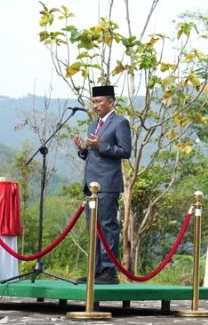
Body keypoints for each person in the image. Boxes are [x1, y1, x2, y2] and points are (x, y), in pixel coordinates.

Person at [72, 84, 132, 284]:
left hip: (107, 184)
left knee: (107, 227)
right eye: (93, 102)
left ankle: (109, 271)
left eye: (98, 102)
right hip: (91, 184)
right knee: (93, 228)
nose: (95, 105)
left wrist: (102, 145)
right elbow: (91, 155)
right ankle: (95, 271)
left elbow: (125, 151)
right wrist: (83, 150)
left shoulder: (120, 123)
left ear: (110, 102)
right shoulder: (92, 125)